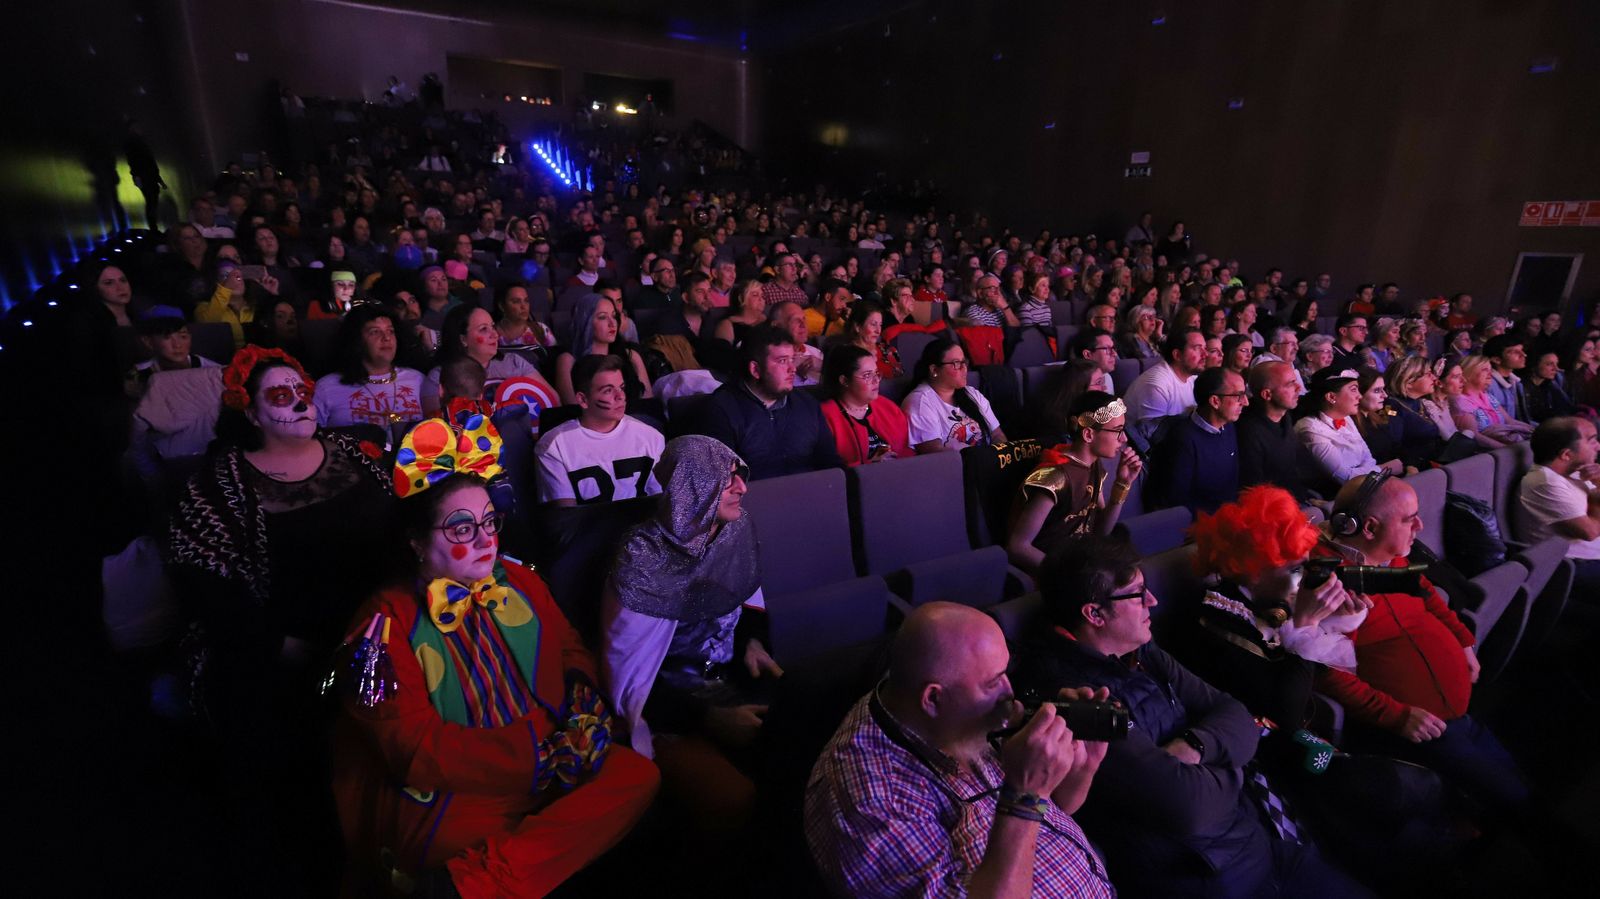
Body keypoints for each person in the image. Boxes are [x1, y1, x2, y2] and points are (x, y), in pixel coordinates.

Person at [333, 417, 658, 896]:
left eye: (489, 521)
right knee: (438, 843)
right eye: (463, 528)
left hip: (554, 755)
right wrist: (535, 760)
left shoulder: (519, 579)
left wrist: (585, 710)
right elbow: (412, 748)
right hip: (463, 790)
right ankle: (488, 876)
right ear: (417, 542)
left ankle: (482, 880)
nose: (487, 540)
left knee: (638, 776)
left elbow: (569, 646)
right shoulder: (380, 624)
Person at [1011, 536, 1370, 899]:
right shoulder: (1075, 697)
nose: (1152, 600)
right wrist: (1234, 760)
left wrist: (1197, 745)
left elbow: (1237, 714)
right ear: (1095, 614)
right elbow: (1189, 807)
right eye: (1137, 594)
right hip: (1212, 878)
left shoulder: (1140, 648)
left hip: (1261, 843)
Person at [166, 346, 403, 891]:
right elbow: (207, 588)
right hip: (280, 645)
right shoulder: (215, 486)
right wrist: (288, 647)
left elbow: (400, 523)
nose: (299, 403)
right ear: (250, 414)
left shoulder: (354, 451)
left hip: (378, 624)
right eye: (279, 395)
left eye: (302, 392)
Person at [805, 602, 1114, 898]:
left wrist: (1084, 763)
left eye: (1006, 672)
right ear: (933, 699)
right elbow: (1029, 805)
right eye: (993, 682)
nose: (1010, 692)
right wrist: (1024, 794)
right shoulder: (871, 802)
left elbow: (1058, 809)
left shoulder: (959, 719)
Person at [600, 436, 782, 842]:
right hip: (667, 712)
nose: (743, 487)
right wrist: (707, 718)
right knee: (734, 798)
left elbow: (748, 597)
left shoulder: (732, 532)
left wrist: (752, 642)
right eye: (728, 479)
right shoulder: (642, 558)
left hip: (726, 681)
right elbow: (628, 677)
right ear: (694, 488)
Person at [1316, 474, 1529, 813]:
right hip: (1424, 732)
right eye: (1408, 518)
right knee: (1517, 802)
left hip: (1462, 712)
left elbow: (1429, 596)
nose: (1420, 525)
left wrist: (1463, 643)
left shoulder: (1393, 557)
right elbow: (1329, 675)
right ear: (1368, 528)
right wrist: (1397, 717)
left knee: (1518, 782)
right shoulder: (1333, 590)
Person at [1007, 391, 1141, 574]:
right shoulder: (1055, 477)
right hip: (1053, 572)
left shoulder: (1094, 466)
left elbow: (1101, 531)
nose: (1124, 439)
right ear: (1088, 434)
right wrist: (1066, 575)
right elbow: (1018, 547)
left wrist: (1122, 484)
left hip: (1081, 561)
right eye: (1117, 431)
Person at [694, 324, 843, 479]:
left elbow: (830, 463)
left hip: (810, 495)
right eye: (783, 361)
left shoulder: (807, 404)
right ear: (755, 370)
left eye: (792, 359)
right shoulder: (721, 410)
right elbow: (721, 482)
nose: (792, 368)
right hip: (754, 500)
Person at [535, 354, 665, 506]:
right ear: (583, 400)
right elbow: (566, 516)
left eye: (621, 388)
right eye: (608, 391)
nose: (620, 396)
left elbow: (662, 501)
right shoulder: (554, 446)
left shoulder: (651, 436)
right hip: (588, 529)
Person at [1518, 417, 1600, 597]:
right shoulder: (1544, 482)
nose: (1598, 446)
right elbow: (1590, 532)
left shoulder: (1577, 472)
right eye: (1591, 440)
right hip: (1575, 565)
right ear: (1566, 454)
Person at [1150, 366, 1246, 515]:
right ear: (1215, 401)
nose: (1245, 402)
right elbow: (1175, 503)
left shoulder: (1229, 427)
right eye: (1238, 396)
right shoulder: (1182, 440)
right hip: (1200, 527)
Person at [425, 305, 553, 415]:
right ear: (463, 339)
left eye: (492, 327)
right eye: (483, 329)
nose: (495, 335)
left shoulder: (513, 362)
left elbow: (553, 400)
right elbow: (436, 426)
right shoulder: (440, 376)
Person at [1296, 366, 1400, 485]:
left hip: (1366, 486)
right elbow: (1345, 478)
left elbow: (1369, 460)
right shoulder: (1310, 429)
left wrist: (1370, 470)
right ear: (1331, 397)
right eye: (1354, 389)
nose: (1360, 396)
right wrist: (1382, 469)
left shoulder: (1346, 418)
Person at [903, 338, 1008, 453]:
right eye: (956, 363)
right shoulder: (920, 402)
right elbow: (935, 455)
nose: (964, 369)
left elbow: (997, 434)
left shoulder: (972, 394)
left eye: (964, 362)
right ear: (934, 370)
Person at [1237, 361, 1318, 504]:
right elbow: (1253, 490)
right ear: (1267, 394)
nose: (1298, 388)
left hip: (1297, 499)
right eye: (1290, 384)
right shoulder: (1248, 431)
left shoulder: (1284, 416)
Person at [818, 344, 912, 466]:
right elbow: (827, 468)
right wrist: (868, 465)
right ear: (844, 381)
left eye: (876, 373)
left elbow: (908, 450)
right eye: (867, 375)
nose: (876, 380)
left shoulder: (887, 406)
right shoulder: (825, 416)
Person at [552, 293, 652, 406]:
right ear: (586, 322)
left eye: (614, 316)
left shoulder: (631, 356)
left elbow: (648, 403)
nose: (612, 323)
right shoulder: (567, 360)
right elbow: (572, 408)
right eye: (602, 317)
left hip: (636, 420)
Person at [1123, 327, 1205, 450]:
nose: (1205, 354)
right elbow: (1154, 440)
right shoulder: (1157, 384)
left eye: (1204, 348)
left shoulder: (1192, 379)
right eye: (1197, 348)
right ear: (1177, 355)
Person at [1351, 367, 1427, 472]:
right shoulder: (1391, 405)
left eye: (1383, 389)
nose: (1385, 395)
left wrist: (1410, 465)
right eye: (1377, 391)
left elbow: (1396, 446)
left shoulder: (1374, 417)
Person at [1450, 355, 1533, 446]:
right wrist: (1505, 450)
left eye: (1490, 370)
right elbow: (1473, 436)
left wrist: (1534, 431)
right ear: (1469, 373)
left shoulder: (1488, 397)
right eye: (1485, 370)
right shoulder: (1460, 402)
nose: (1490, 373)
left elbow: (1509, 421)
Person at [194, 260, 256, 350]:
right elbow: (207, 326)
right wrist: (225, 289)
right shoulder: (204, 307)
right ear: (216, 283)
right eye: (225, 276)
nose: (233, 280)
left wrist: (273, 294)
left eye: (238, 276)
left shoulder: (255, 306)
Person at [836, 300, 903, 379]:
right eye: (873, 324)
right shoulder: (849, 355)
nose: (878, 331)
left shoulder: (886, 349)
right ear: (857, 326)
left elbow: (902, 378)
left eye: (880, 325)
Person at [1483, 334, 1532, 423]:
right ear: (1497, 359)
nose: (1524, 355)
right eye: (1516, 352)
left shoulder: (1516, 382)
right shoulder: (1488, 386)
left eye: (1522, 350)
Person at [1524, 351, 1579, 422]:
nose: (1555, 368)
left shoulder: (1552, 386)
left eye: (1556, 364)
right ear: (1535, 365)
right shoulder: (1522, 387)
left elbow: (1566, 407)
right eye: (1549, 364)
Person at [804, 278, 853, 343]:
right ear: (828, 297)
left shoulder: (843, 324)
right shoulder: (803, 318)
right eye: (842, 299)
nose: (844, 306)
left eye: (845, 302)